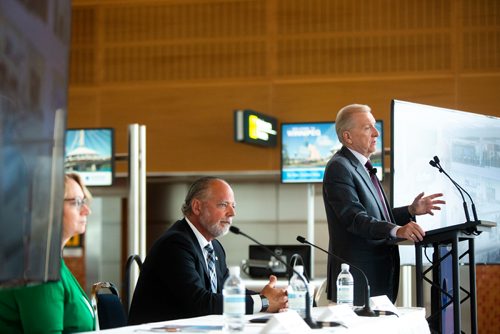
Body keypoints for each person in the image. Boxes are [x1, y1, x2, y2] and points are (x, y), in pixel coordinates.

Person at [323, 104, 445, 305]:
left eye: (374, 126)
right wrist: (398, 230)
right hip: (356, 283)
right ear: (347, 137)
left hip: (377, 279)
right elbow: (355, 219)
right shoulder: (340, 167)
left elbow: (377, 218)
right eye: (367, 128)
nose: (376, 133)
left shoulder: (362, 167)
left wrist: (410, 211)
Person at [128, 176, 288, 325]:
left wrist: (270, 297)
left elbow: (226, 290)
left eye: (233, 206)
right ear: (197, 207)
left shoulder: (215, 248)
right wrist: (263, 302)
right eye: (224, 205)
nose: (232, 213)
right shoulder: (175, 244)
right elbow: (200, 303)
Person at [0, 173, 95, 332]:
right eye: (77, 202)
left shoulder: (46, 260)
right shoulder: (37, 267)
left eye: (84, 202)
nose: (86, 210)